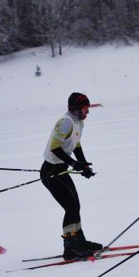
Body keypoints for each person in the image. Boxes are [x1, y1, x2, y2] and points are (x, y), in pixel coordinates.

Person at [40, 92, 102, 260]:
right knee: (71, 207)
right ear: (75, 109)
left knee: (75, 205)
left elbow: (77, 145)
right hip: (51, 171)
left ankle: (79, 241)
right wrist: (74, 164)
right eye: (85, 109)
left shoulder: (78, 122)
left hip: (60, 168)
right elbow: (55, 147)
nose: (87, 112)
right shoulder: (66, 122)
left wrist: (84, 165)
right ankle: (70, 248)